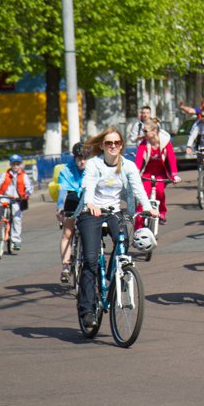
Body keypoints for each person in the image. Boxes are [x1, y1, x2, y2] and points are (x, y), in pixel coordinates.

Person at [73, 127, 157, 329]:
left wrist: (147, 207)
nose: (113, 146)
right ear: (102, 146)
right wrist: (90, 203)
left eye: (116, 143)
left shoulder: (128, 165)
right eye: (109, 143)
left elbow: (137, 187)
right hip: (91, 211)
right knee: (91, 260)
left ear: (121, 146)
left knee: (122, 243)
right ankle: (87, 310)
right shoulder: (94, 164)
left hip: (114, 211)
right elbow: (88, 184)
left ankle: (115, 276)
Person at [135, 118, 181, 226]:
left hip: (160, 173)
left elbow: (171, 159)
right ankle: (138, 227)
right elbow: (138, 160)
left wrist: (174, 175)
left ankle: (162, 212)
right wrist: (135, 173)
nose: (143, 133)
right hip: (146, 174)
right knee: (143, 197)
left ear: (154, 131)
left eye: (145, 131)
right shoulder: (143, 144)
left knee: (160, 191)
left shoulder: (165, 143)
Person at [56, 143, 87, 283]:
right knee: (67, 234)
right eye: (79, 158)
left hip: (88, 200)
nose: (82, 161)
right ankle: (65, 266)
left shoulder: (94, 168)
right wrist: (60, 208)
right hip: (73, 199)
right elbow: (63, 192)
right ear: (74, 158)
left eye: (85, 158)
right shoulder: (66, 170)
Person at [0, 154, 33, 250]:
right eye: (13, 164)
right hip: (5, 197)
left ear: (20, 165)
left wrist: (27, 193)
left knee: (17, 218)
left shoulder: (24, 176)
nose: (15, 166)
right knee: (0, 205)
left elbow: (29, 187)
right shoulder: (5, 174)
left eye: (17, 164)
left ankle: (16, 240)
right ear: (10, 164)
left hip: (17, 199)